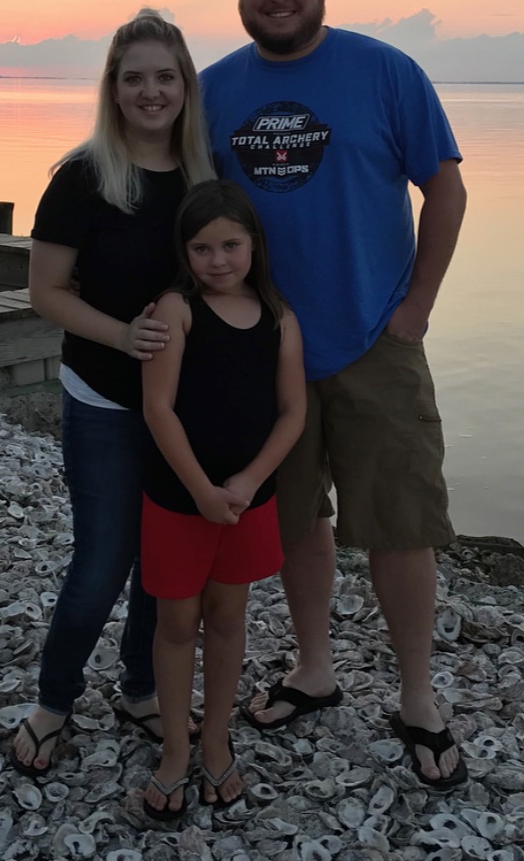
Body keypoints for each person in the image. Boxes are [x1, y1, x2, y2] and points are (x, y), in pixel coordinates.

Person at [201, 0, 470, 790]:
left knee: (400, 523)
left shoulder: (386, 72)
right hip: (263, 350)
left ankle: (419, 697)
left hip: (373, 341)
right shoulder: (214, 90)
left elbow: (446, 188)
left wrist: (417, 309)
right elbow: (185, 211)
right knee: (294, 522)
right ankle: (314, 669)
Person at [12, 8, 215, 777]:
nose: (151, 91)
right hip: (102, 400)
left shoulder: (205, 180)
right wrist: (122, 336)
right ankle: (52, 702)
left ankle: (139, 688)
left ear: (185, 84)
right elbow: (45, 292)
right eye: (135, 78)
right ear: (113, 88)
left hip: (185, 407)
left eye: (165, 76)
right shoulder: (83, 177)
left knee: (164, 563)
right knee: (102, 562)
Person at [139, 179, 306, 821]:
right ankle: (175, 749)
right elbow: (158, 407)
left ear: (254, 245)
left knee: (229, 617)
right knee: (177, 623)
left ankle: (216, 739)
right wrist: (200, 490)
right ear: (184, 252)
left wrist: (246, 482)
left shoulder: (279, 317)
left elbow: (292, 412)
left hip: (246, 500)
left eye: (231, 245)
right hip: (178, 499)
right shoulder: (176, 309)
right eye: (202, 248)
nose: (218, 260)